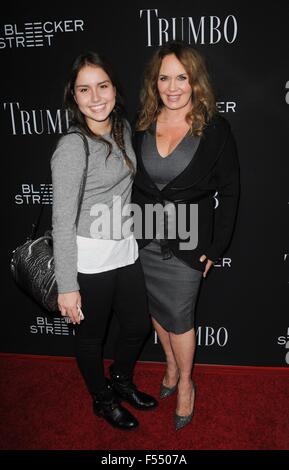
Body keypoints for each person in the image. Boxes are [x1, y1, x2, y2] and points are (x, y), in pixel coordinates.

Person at [132, 41, 240, 430]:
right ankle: (172, 367)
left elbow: (230, 189)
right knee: (156, 313)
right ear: (154, 82)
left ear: (195, 81)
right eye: (164, 78)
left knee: (179, 316)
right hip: (143, 238)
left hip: (188, 242)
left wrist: (217, 245)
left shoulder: (214, 128)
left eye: (182, 77)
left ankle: (186, 386)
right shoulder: (142, 122)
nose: (172, 86)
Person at [51, 51, 157, 431]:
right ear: (74, 97)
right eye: (84, 90)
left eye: (103, 86)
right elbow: (61, 221)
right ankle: (102, 397)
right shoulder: (71, 147)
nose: (95, 97)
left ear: (115, 88)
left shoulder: (122, 128)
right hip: (89, 259)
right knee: (91, 337)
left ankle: (121, 378)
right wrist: (67, 286)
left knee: (136, 326)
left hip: (124, 249)